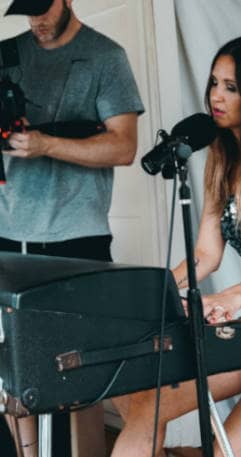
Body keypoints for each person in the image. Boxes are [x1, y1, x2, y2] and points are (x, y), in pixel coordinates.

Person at [0, 0, 144, 455]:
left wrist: (46, 143)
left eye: (43, 8)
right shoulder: (4, 55)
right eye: (27, 10)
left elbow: (124, 147)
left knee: (80, 366)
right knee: (7, 367)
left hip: (78, 237)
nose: (36, 21)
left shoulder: (104, 56)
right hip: (6, 235)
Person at [112, 36, 241, 457]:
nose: (216, 96)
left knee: (154, 411)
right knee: (144, 403)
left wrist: (227, 298)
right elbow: (207, 252)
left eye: (232, 87)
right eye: (214, 82)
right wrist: (160, 291)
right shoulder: (223, 160)